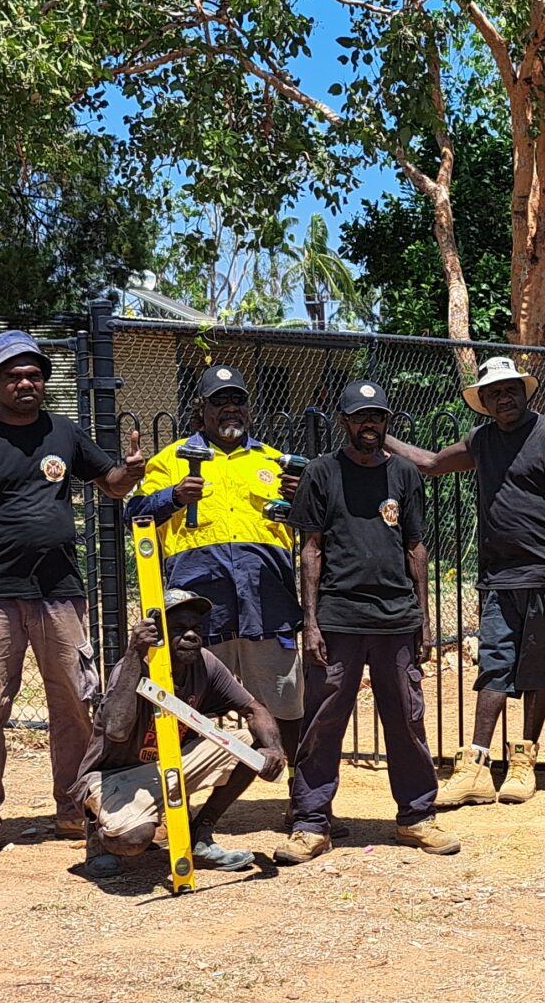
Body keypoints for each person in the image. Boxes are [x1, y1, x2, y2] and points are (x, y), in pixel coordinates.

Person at [0, 329, 147, 866]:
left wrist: (128, 473)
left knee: (75, 706)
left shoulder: (63, 432)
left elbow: (108, 482)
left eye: (35, 374)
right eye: (14, 374)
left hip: (61, 592)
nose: (26, 382)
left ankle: (72, 805)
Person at [384, 355, 545, 807]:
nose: (503, 398)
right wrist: (381, 433)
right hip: (499, 577)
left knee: (541, 669)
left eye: (510, 389)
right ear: (484, 402)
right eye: (493, 393)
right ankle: (475, 766)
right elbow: (432, 463)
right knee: (494, 665)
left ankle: (523, 763)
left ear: (524, 392)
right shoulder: (482, 440)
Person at [278, 378, 459, 861]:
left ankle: (417, 816)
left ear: (385, 422)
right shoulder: (321, 473)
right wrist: (311, 623)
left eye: (377, 417)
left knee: (406, 718)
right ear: (345, 423)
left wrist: (422, 616)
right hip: (338, 617)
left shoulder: (403, 474)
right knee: (323, 720)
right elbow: (310, 550)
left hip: (396, 617)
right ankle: (312, 822)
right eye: (360, 418)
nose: (369, 425)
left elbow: (416, 547)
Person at [131, 365, 307, 736]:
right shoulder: (170, 460)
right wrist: (175, 496)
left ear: (248, 407)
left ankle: (297, 786)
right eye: (219, 400)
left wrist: (304, 499)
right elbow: (136, 514)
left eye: (238, 400)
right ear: (202, 409)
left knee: (284, 701)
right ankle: (195, 784)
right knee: (193, 706)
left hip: (267, 604)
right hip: (199, 609)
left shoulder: (273, 462)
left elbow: (311, 526)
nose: (231, 408)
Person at [83, 588, 288, 873]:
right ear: (158, 633)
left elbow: (255, 710)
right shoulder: (134, 667)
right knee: (135, 840)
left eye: (196, 628)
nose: (191, 635)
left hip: (170, 766)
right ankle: (98, 837)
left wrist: (274, 750)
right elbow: (116, 731)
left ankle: (200, 835)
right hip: (117, 776)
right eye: (179, 629)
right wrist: (133, 652)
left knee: (251, 747)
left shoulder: (205, 664)